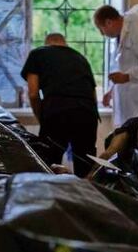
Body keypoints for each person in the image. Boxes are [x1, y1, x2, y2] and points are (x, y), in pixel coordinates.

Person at [21, 32, 98, 177]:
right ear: (65, 43)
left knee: (48, 165)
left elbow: (32, 93)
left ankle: (51, 198)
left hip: (57, 111)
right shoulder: (81, 58)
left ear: (47, 43)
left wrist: (41, 117)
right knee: (85, 167)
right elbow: (93, 96)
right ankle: (86, 198)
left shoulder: (38, 53)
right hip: (87, 114)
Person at [93, 4, 138, 126]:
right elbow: (124, 67)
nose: (102, 34)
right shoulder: (121, 36)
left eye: (101, 29)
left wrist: (128, 77)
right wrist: (112, 90)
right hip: (131, 106)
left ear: (108, 22)